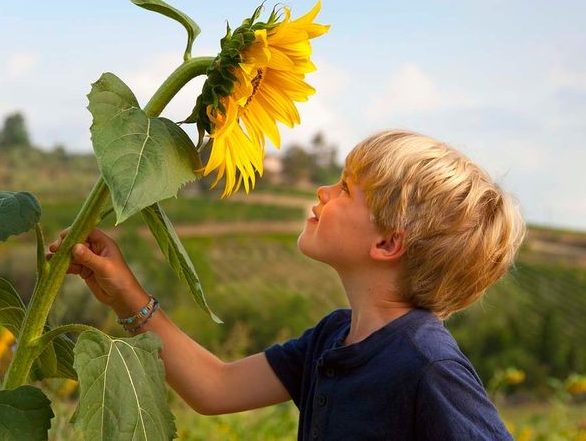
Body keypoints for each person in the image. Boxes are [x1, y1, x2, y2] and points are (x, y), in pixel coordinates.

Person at [48, 130, 525, 440]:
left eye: (345, 189)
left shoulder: (427, 366)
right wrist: (123, 291)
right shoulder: (333, 337)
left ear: (387, 242)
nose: (324, 192)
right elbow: (216, 387)